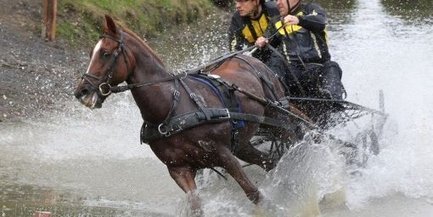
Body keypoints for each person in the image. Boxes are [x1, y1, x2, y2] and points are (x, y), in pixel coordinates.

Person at [256, 0, 345, 100]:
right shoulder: (276, 21)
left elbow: (321, 22)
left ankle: (332, 100)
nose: (277, 3)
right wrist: (262, 43)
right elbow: (266, 43)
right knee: (275, 61)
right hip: (291, 75)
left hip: (316, 71)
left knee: (332, 66)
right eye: (276, 0)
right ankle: (275, 97)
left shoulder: (311, 9)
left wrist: (299, 20)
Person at [228, 0, 287, 77]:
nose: (237, 6)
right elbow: (234, 48)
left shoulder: (273, 9)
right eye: (236, 2)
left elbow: (278, 26)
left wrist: (266, 37)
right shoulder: (237, 19)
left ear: (256, 1)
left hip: (280, 53)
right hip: (257, 58)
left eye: (242, 1)